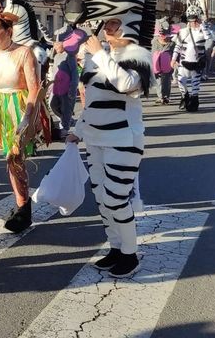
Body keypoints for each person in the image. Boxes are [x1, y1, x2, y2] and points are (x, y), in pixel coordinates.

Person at [67, 18, 151, 278]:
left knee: (116, 199)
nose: (108, 29)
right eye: (108, 24)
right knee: (103, 199)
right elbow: (90, 102)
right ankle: (115, 248)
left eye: (115, 24)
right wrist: (78, 132)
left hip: (123, 140)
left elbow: (125, 84)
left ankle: (130, 253)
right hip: (95, 140)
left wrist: (100, 54)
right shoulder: (98, 57)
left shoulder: (139, 55)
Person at [0, 16, 43, 233]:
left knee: (15, 159)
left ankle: (23, 209)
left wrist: (27, 118)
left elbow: (34, 88)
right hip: (3, 111)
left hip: (21, 107)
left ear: (9, 31)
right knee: (11, 160)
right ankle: (22, 205)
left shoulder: (24, 52)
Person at [151, 24, 175, 104]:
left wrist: (176, 62)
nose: (162, 37)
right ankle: (160, 97)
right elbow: (150, 53)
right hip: (156, 65)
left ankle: (166, 97)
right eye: (161, 35)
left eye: (164, 35)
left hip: (167, 66)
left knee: (167, 81)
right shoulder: (154, 42)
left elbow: (176, 54)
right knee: (158, 82)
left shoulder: (172, 44)